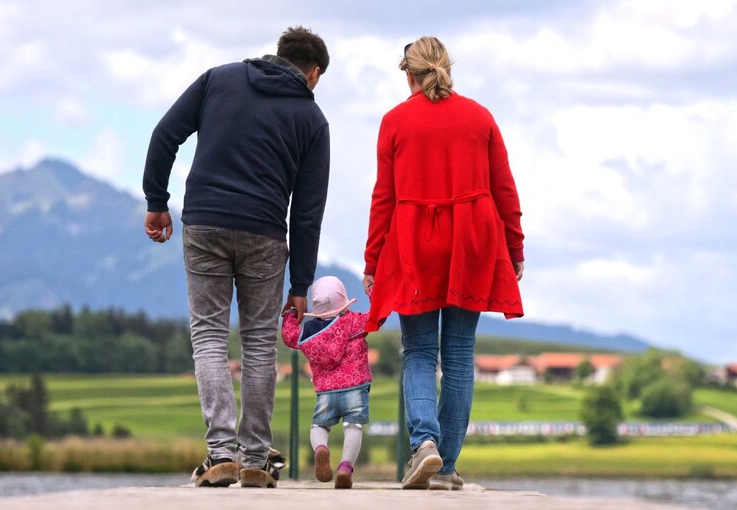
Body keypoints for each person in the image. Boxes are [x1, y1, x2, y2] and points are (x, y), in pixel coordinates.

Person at [142, 26, 331, 488]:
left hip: (205, 222)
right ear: (314, 73)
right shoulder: (312, 119)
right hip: (266, 233)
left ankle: (220, 454)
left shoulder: (219, 80)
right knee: (259, 343)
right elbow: (307, 211)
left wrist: (156, 200)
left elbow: (166, 133)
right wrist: (301, 286)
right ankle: (253, 459)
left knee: (208, 335)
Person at [362, 36, 526, 490]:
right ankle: (447, 466)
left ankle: (425, 445)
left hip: (415, 241)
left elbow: (384, 198)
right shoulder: (480, 117)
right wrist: (514, 249)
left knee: (418, 351)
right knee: (458, 355)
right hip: (472, 240)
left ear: (409, 75)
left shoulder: (395, 121)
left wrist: (373, 258)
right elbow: (504, 190)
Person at [281, 276, 372, 489]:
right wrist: (373, 292)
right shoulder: (354, 321)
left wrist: (291, 313)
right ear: (344, 300)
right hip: (355, 389)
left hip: (325, 393)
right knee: (353, 427)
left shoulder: (308, 333)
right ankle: (345, 468)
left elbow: (289, 335)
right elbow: (378, 316)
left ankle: (321, 447)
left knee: (319, 425)